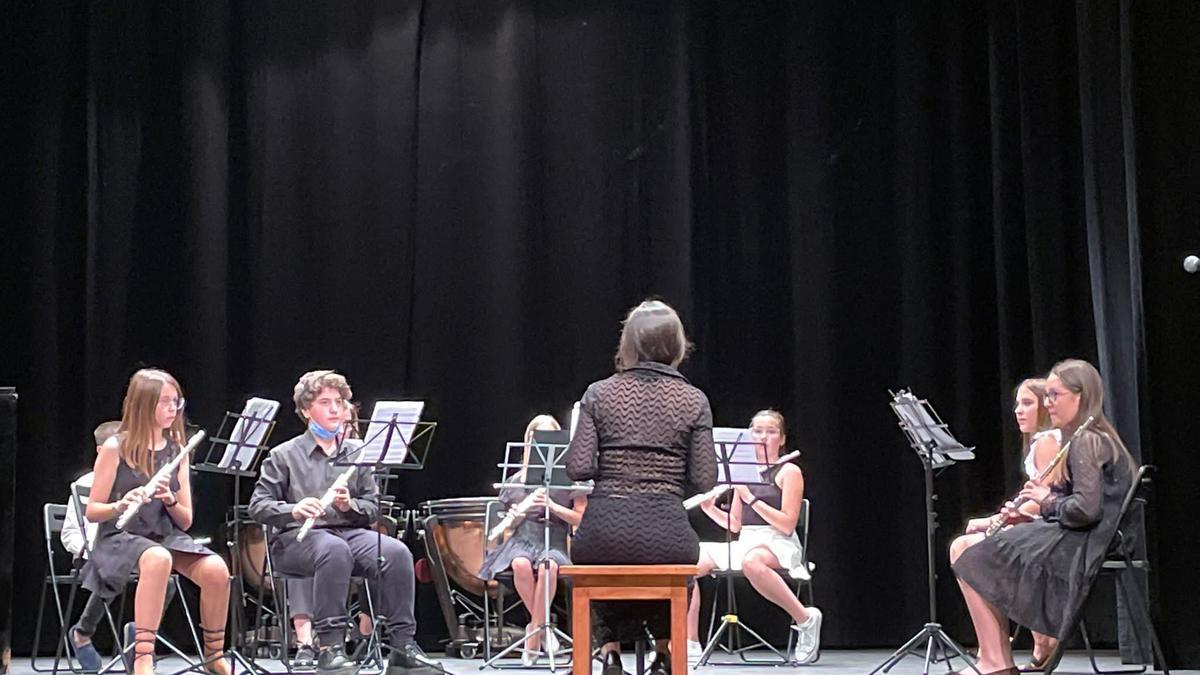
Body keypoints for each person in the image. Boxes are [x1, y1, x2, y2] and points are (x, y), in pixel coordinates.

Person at [950, 359, 1137, 675]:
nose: (1047, 404)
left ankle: (997, 661)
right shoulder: (1087, 435)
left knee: (972, 553)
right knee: (971, 548)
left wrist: (1045, 500)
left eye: (1055, 395)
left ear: (1080, 396)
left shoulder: (1087, 440)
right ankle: (996, 659)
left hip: (1086, 541)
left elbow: (1085, 511)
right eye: (1047, 396)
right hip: (1083, 535)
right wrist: (1028, 514)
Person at [249, 370, 439, 675]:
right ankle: (330, 648)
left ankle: (403, 646)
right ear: (306, 410)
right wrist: (294, 509)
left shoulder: (357, 452)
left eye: (339, 401)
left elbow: (371, 508)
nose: (335, 408)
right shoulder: (283, 455)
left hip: (348, 534)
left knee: (396, 552)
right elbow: (258, 506)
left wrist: (348, 505)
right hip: (295, 541)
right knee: (333, 549)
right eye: (325, 402)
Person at [566, 299, 717, 675]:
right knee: (674, 565)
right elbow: (705, 479)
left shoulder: (598, 394)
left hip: (603, 530)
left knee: (600, 558)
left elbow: (578, 467)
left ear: (628, 345)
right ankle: (665, 654)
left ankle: (610, 652)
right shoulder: (694, 400)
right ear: (677, 346)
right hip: (667, 531)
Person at [82, 369, 232, 675]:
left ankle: (213, 655)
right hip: (120, 536)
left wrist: (168, 498)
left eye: (176, 402)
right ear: (143, 404)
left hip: (163, 535)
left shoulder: (178, 449)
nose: (172, 409)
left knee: (216, 569)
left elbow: (186, 520)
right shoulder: (116, 447)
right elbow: (93, 511)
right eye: (164, 402)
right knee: (157, 558)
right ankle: (142, 657)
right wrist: (121, 504)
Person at [685, 410, 822, 663]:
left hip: (778, 542)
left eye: (771, 432)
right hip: (746, 541)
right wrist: (710, 509)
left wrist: (751, 498)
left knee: (752, 562)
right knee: (687, 564)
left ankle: (805, 619)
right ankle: (690, 642)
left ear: (781, 439)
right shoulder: (742, 471)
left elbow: (787, 524)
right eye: (757, 431)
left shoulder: (789, 471)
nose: (763, 437)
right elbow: (735, 525)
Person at [960, 378, 1060, 670]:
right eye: (1017, 404)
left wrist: (995, 521)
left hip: (1049, 533)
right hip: (1043, 527)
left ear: (1045, 406)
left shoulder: (1047, 441)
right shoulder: (1042, 442)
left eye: (1027, 403)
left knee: (968, 551)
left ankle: (998, 653)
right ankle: (1006, 647)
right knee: (972, 546)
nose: (1018, 410)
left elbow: (1046, 497)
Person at [478, 415, 586, 665]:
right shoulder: (516, 479)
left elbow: (580, 519)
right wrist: (516, 517)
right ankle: (544, 628)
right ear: (528, 442)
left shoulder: (572, 479)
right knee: (520, 565)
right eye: (538, 439)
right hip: (522, 540)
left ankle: (533, 635)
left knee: (548, 567)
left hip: (555, 540)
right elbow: (509, 526)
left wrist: (552, 506)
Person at [60, 421, 120, 672]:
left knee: (167, 579)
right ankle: (82, 632)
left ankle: (140, 636)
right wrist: (86, 548)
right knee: (113, 572)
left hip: (125, 552)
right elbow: (69, 533)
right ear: (101, 451)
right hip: (91, 558)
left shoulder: (135, 480)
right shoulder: (84, 484)